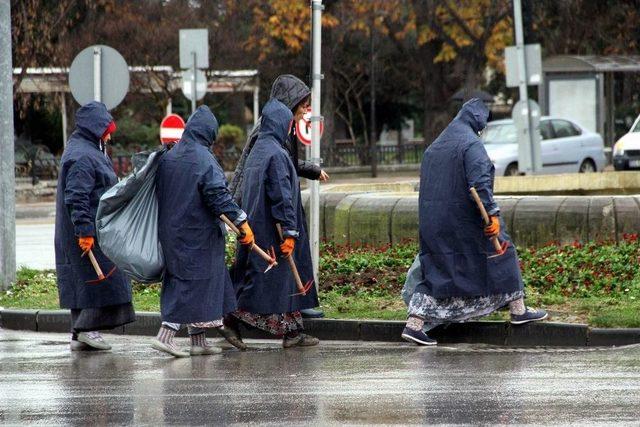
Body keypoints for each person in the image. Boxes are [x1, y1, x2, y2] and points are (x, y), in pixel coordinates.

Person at [401, 98, 547, 346]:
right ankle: (518, 310)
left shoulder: (435, 147)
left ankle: (414, 325)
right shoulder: (471, 145)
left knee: (437, 269)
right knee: (502, 252)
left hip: (434, 222)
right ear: (479, 122)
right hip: (464, 220)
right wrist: (492, 215)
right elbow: (479, 184)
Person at [152, 106, 254, 357]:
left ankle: (198, 342)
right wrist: (241, 221)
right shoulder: (204, 159)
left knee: (191, 281)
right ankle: (165, 335)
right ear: (209, 133)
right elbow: (218, 195)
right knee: (190, 284)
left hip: (172, 231)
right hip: (197, 234)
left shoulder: (171, 155)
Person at [230, 74, 328, 319]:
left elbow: (286, 162)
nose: (307, 109)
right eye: (304, 103)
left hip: (273, 200)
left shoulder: (283, 126)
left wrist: (311, 170)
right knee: (266, 261)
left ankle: (297, 302)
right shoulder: (267, 129)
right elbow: (263, 165)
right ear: (290, 102)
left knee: (294, 251)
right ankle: (241, 312)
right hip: (263, 204)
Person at [55, 101, 135, 351]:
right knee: (98, 280)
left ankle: (82, 332)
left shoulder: (86, 149)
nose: (110, 135)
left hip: (89, 228)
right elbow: (77, 196)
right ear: (96, 129)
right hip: (87, 231)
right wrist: (84, 231)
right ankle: (86, 329)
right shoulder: (83, 156)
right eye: (107, 130)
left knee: (89, 281)